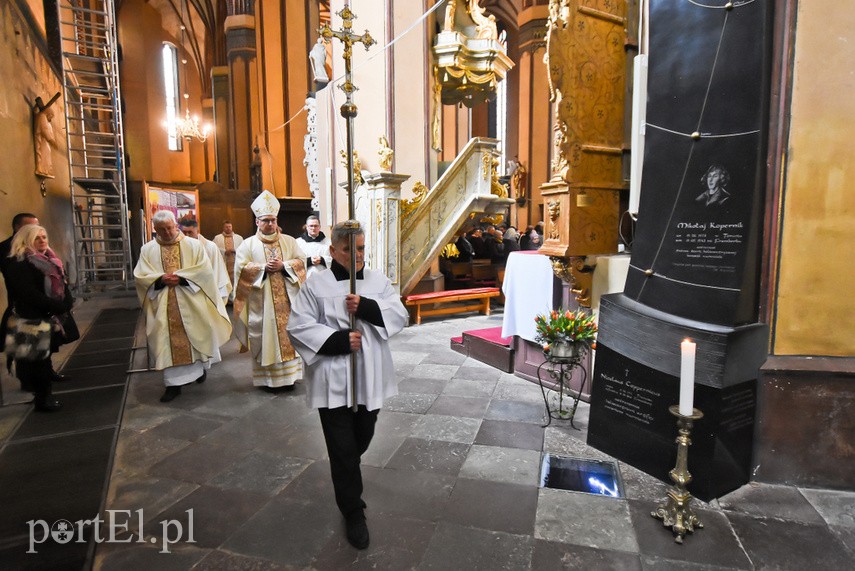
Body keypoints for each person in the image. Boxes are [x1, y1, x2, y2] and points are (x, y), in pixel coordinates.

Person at [287, 221, 408, 550]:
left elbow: (400, 314)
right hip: (333, 377)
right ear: (332, 251)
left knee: (361, 437)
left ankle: (348, 475)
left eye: (361, 248)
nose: (357, 255)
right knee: (342, 450)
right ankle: (353, 511)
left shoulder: (377, 280)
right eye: (349, 249)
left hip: (370, 375)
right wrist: (338, 340)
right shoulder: (316, 284)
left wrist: (366, 307)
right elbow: (297, 326)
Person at [133, 210, 232, 403]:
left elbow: (205, 272)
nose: (167, 233)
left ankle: (201, 369)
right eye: (161, 230)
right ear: (155, 230)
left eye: (170, 228)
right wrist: (159, 279)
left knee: (197, 335)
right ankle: (173, 385)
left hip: (191, 301)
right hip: (163, 304)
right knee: (166, 340)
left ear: (175, 225)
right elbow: (141, 276)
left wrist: (182, 278)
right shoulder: (148, 250)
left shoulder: (194, 246)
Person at [233, 191, 307, 392]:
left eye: (273, 220)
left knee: (288, 335)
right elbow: (241, 270)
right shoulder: (247, 244)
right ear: (257, 221)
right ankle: (268, 380)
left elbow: (302, 263)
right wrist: (262, 268)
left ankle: (289, 378)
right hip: (262, 302)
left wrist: (284, 265)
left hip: (287, 301)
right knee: (265, 337)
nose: (270, 224)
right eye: (266, 221)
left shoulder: (290, 241)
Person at [4, 225, 75, 411]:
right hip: (31, 319)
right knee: (36, 363)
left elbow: (62, 282)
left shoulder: (50, 259)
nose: (43, 240)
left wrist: (67, 301)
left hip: (49, 317)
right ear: (26, 240)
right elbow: (29, 294)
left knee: (44, 359)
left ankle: (44, 395)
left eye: (44, 236)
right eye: (37, 238)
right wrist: (57, 306)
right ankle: (43, 399)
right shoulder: (19, 263)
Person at [180, 219, 232, 304]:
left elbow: (217, 270)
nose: (187, 235)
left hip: (207, 291)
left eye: (190, 232)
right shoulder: (180, 247)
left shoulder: (210, 247)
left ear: (198, 231)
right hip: (186, 291)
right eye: (184, 232)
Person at [212, 220, 244, 297]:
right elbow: (214, 249)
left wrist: (235, 250)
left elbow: (243, 250)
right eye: (226, 227)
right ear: (223, 227)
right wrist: (224, 251)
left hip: (235, 263)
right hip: (223, 263)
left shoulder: (239, 238)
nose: (228, 228)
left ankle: (234, 297)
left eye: (229, 226)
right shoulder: (217, 238)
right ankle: (225, 297)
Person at [34, 102, 57, 178]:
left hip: (45, 141)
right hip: (43, 140)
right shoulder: (42, 117)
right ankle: (43, 169)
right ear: (48, 113)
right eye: (51, 116)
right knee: (44, 154)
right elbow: (44, 130)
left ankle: (46, 170)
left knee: (47, 155)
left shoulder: (44, 119)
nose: (51, 118)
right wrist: (51, 141)